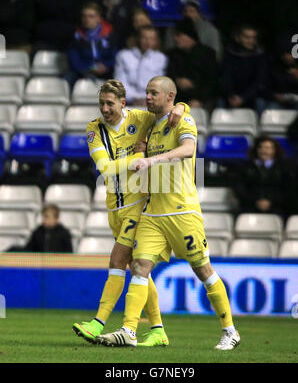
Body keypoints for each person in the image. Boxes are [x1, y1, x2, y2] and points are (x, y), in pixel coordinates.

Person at [96, 76, 240, 351]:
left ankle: (230, 330)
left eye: (153, 93)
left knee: (203, 270)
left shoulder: (182, 121)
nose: (147, 97)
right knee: (139, 268)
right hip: (153, 213)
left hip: (182, 210)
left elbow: (188, 149)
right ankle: (129, 329)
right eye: (147, 92)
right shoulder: (150, 127)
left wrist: (151, 158)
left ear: (169, 96)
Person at [72, 79, 190, 346]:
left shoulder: (140, 118)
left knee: (117, 262)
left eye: (110, 103)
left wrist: (183, 107)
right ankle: (158, 329)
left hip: (138, 206)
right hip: (114, 206)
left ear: (122, 103)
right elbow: (105, 168)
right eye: (101, 103)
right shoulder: (94, 129)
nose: (104, 108)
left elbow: (169, 108)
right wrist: (136, 159)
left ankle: (99, 322)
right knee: (135, 268)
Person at [167, 17, 218, 110]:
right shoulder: (172, 55)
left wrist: (199, 99)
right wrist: (177, 81)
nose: (175, 38)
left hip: (203, 99)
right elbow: (168, 76)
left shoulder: (208, 54)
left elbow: (212, 82)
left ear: (189, 36)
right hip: (177, 98)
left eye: (179, 35)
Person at [233, 136, 290, 217]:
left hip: (276, 209)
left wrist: (271, 202)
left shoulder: (283, 168)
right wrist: (256, 202)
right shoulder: (244, 167)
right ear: (256, 149)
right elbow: (239, 188)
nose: (264, 151)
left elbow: (287, 190)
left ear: (274, 150)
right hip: (249, 208)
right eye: (261, 147)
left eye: (268, 148)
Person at [218, 24, 267, 116]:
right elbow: (226, 77)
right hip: (230, 97)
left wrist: (243, 98)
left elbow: (259, 81)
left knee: (260, 103)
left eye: (253, 38)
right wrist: (231, 95)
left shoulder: (260, 56)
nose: (251, 41)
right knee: (219, 104)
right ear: (237, 38)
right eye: (247, 38)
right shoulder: (229, 54)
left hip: (252, 97)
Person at [65, 2, 116, 89]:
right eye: (84, 16)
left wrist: (106, 67)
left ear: (99, 18)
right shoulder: (75, 36)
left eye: (91, 16)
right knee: (67, 77)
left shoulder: (110, 34)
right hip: (83, 71)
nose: (87, 19)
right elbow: (73, 59)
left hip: (106, 71)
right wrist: (89, 69)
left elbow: (116, 56)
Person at [114, 26, 167, 106]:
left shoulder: (161, 58)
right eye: (144, 38)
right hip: (127, 103)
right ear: (137, 38)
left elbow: (160, 86)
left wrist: (149, 99)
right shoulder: (123, 56)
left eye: (152, 39)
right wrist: (132, 99)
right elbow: (120, 83)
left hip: (152, 103)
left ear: (156, 41)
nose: (148, 42)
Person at [7, 204, 73, 253]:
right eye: (44, 217)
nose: (44, 220)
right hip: (38, 266)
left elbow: (68, 254)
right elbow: (29, 249)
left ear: (56, 218)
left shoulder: (64, 233)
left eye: (47, 217)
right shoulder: (38, 231)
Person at [266, 34, 298, 110]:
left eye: (289, 53)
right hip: (279, 102)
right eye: (283, 54)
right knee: (270, 110)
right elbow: (265, 88)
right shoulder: (273, 68)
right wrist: (275, 96)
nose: (286, 56)